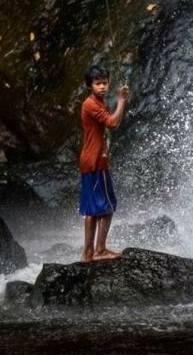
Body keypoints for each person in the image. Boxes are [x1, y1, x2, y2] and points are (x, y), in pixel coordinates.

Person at [79, 64, 129, 262]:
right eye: (98, 83)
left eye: (105, 83)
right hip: (95, 162)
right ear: (89, 85)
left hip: (91, 160)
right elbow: (113, 123)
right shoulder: (91, 104)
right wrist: (122, 100)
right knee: (107, 206)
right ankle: (98, 250)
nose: (102, 87)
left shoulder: (96, 102)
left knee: (92, 209)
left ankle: (89, 253)